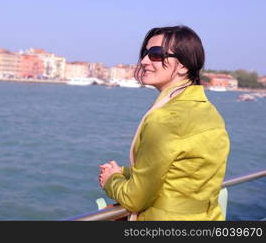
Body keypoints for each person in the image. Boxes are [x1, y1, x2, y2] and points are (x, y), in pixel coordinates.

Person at [98, 25, 230, 221]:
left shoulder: (165, 119)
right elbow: (180, 173)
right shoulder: (209, 112)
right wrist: (123, 172)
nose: (144, 61)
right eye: (145, 53)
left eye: (156, 54)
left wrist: (111, 179)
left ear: (184, 65)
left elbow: (134, 199)